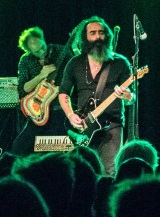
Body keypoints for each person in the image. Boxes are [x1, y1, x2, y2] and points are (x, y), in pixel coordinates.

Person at [57, 16, 134, 176]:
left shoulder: (120, 63)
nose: (98, 37)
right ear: (85, 38)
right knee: (83, 172)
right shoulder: (75, 63)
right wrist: (70, 115)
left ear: (107, 36)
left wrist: (126, 96)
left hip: (111, 126)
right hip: (84, 126)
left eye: (101, 33)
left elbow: (132, 97)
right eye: (93, 33)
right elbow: (63, 92)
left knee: (109, 171)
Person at [9, 26, 78, 156]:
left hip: (58, 109)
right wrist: (41, 75)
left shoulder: (61, 51)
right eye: (36, 51)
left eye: (42, 47)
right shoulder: (26, 60)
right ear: (29, 51)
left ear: (43, 39)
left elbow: (77, 72)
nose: (41, 52)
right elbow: (23, 89)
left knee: (56, 149)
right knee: (19, 147)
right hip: (38, 111)